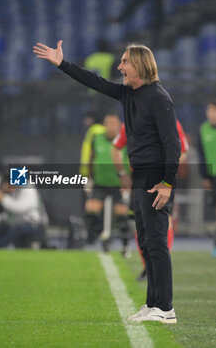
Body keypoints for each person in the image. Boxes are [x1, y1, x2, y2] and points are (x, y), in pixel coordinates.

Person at [33, 41, 181, 323]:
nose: (120, 66)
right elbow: (96, 81)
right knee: (146, 241)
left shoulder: (159, 97)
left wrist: (167, 183)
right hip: (140, 176)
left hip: (155, 177)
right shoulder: (130, 94)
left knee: (157, 242)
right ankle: (153, 304)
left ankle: (166, 308)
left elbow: (172, 144)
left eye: (125, 61)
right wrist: (63, 64)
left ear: (140, 65)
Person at [112, 120, 189, 280]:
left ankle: (161, 266)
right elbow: (116, 148)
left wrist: (166, 170)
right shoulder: (130, 122)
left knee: (163, 220)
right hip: (140, 180)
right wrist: (122, 174)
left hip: (163, 180)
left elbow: (183, 151)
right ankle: (147, 266)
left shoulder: (171, 122)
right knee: (140, 223)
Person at [85, 112, 130, 255]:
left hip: (119, 185)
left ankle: (125, 246)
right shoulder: (97, 139)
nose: (110, 127)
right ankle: (103, 236)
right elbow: (91, 159)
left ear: (119, 125)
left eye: (113, 124)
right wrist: (89, 179)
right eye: (108, 124)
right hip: (100, 183)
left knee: (122, 216)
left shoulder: (126, 139)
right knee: (91, 210)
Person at [0, 174, 48, 248]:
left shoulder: (28, 189)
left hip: (35, 225)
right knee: (1, 226)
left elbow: (18, 208)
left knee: (17, 229)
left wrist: (2, 198)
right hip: (20, 225)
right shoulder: (14, 193)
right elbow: (9, 216)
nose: (4, 187)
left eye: (5, 184)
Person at [198, 101, 216, 257]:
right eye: (210, 110)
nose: (212, 114)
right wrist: (205, 176)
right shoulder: (203, 129)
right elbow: (202, 155)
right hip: (213, 175)